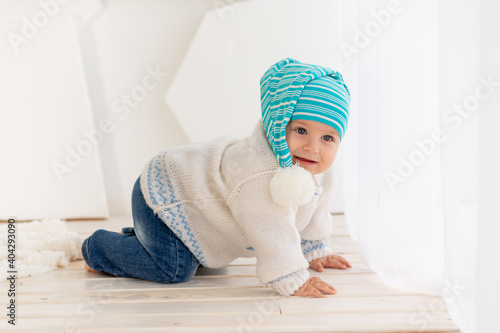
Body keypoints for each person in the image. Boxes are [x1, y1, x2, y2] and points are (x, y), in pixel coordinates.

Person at [82, 58, 352, 298]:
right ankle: (98, 248)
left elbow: (317, 209)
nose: (313, 147)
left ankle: (141, 239)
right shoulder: (260, 176)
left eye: (327, 138)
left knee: (205, 261)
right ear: (277, 123)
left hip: (194, 205)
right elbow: (272, 232)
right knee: (174, 267)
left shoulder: (318, 168)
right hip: (166, 190)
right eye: (301, 130)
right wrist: (292, 278)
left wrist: (315, 249)